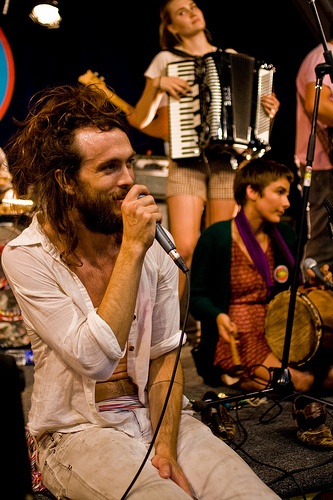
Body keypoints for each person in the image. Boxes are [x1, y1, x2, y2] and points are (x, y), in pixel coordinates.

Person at [1, 83, 281, 500]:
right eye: (109, 168)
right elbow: (95, 359)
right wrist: (133, 249)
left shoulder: (155, 246)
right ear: (66, 180)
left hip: (161, 418)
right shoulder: (27, 256)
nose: (129, 181)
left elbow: (166, 360)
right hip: (77, 431)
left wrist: (165, 448)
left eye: (129, 163)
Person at [126, 0, 280, 304]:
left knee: (221, 247)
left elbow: (252, 127)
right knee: (183, 247)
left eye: (193, 6)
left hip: (226, 163)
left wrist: (268, 114)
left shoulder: (233, 58)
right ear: (171, 27)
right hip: (187, 162)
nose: (192, 12)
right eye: (181, 12)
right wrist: (157, 85)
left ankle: (212, 326)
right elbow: (140, 119)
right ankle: (172, 328)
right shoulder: (166, 60)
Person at [189, 158, 333, 393]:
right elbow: (196, 298)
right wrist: (217, 316)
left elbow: (293, 289)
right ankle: (241, 376)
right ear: (252, 191)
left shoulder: (285, 236)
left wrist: (313, 283)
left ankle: (256, 381)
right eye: (279, 192)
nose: (287, 203)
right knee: (303, 381)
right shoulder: (215, 237)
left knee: (329, 376)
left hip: (277, 330)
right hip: (236, 337)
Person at [295, 21, 333, 275]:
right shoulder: (324, 54)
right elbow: (315, 104)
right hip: (320, 163)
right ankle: (312, 307)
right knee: (321, 241)